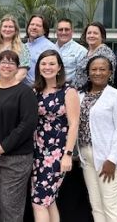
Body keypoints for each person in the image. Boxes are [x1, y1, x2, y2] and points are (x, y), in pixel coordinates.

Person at [0, 50, 38, 222]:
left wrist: (4, 146)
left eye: (11, 63)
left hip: (16, 159)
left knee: (10, 207)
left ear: (17, 67)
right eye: (3, 62)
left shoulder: (25, 93)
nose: (6, 65)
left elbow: (27, 124)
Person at [78, 55, 117, 222]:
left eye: (102, 69)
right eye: (94, 69)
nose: (98, 72)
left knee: (111, 205)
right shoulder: (81, 95)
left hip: (109, 159)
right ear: (88, 72)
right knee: (96, 205)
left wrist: (112, 160)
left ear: (110, 72)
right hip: (87, 157)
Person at [31, 50, 80, 222]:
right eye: (43, 64)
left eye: (52, 64)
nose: (47, 67)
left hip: (57, 153)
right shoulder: (35, 91)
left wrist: (67, 154)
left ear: (59, 67)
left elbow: (74, 124)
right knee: (48, 201)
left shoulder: (68, 91)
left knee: (39, 202)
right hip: (37, 151)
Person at [73, 22, 116, 89]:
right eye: (89, 33)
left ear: (102, 36)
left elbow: (105, 78)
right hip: (81, 92)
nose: (91, 35)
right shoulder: (89, 52)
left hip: (96, 94)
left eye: (95, 33)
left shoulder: (105, 53)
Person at [24, 14, 57, 86]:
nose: (34, 27)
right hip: (23, 90)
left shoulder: (50, 48)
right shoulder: (23, 47)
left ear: (44, 30)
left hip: (40, 89)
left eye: (38, 25)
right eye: (32, 24)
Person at [55, 18, 87, 83]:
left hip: (71, 90)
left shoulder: (81, 51)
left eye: (66, 30)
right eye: (60, 30)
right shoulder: (49, 49)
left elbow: (82, 77)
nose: (63, 32)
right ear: (56, 31)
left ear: (72, 31)